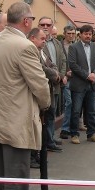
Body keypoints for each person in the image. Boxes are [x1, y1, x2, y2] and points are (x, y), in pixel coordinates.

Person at [0, 2, 50, 190]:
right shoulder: (24, 46)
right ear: (25, 21)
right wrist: (46, 105)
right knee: (17, 169)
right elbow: (39, 85)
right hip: (17, 116)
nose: (32, 22)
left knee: (1, 168)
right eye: (32, 19)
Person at [68, 24, 95, 144]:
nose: (88, 36)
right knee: (76, 110)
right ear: (80, 35)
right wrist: (87, 75)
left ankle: (91, 134)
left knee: (91, 111)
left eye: (90, 34)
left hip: (92, 84)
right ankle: (74, 134)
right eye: (86, 34)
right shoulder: (74, 47)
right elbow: (73, 64)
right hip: (79, 84)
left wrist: (94, 73)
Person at [37, 17, 64, 152]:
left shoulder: (57, 43)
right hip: (45, 84)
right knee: (46, 114)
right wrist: (55, 75)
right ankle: (46, 142)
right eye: (43, 24)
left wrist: (61, 75)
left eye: (48, 24)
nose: (45, 26)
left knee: (53, 112)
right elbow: (41, 66)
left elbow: (62, 60)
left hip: (56, 83)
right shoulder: (37, 44)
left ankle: (51, 138)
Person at [59, 26, 76, 140]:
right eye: (69, 33)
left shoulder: (76, 46)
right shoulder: (59, 45)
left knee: (75, 104)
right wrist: (65, 73)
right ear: (64, 34)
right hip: (65, 78)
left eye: (73, 33)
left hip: (76, 78)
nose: (71, 35)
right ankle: (65, 128)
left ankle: (72, 127)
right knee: (69, 102)